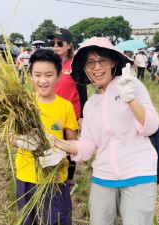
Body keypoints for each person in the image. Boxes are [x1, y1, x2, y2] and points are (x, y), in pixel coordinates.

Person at [54, 37, 159, 224]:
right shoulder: (91, 105)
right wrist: (57, 144)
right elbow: (87, 146)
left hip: (138, 173)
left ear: (112, 62)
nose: (97, 67)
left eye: (102, 60)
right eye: (90, 62)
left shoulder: (131, 86)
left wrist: (130, 99)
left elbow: (151, 127)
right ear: (85, 69)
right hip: (103, 176)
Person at [14, 49, 78, 225]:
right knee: (28, 220)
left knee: (56, 220)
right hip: (26, 176)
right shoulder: (22, 105)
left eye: (49, 75)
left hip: (55, 177)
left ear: (59, 76)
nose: (43, 81)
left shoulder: (65, 107)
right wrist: (21, 141)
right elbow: (11, 137)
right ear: (30, 76)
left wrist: (60, 150)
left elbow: (73, 142)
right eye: (38, 75)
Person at [46, 28, 87, 190]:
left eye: (59, 42)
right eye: (53, 43)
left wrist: (82, 115)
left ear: (69, 45)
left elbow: (82, 91)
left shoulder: (75, 65)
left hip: (71, 115)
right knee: (52, 144)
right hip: (52, 113)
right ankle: (53, 175)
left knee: (69, 147)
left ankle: (69, 181)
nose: (55, 46)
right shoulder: (51, 64)